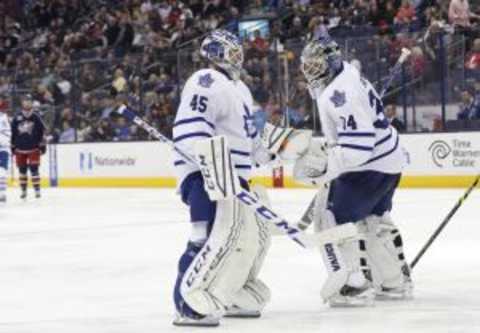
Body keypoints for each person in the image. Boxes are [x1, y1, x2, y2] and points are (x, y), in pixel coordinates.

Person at [294, 36, 413, 307]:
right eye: (308, 65)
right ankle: (393, 281)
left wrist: (326, 164)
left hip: (369, 165)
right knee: (374, 219)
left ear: (332, 62)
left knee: (332, 217)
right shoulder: (347, 75)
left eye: (316, 65)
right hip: (389, 161)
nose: (310, 71)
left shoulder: (341, 95)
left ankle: (353, 283)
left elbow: (359, 147)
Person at [171, 30, 272, 327]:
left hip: (234, 177)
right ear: (215, 53)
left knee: (238, 242)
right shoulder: (205, 79)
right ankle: (186, 304)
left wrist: (279, 150)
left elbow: (253, 141)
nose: (238, 57)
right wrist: (211, 166)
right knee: (206, 238)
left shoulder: (240, 89)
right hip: (207, 176)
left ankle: (224, 294)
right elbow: (192, 129)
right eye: (231, 51)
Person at [11, 95, 46, 199]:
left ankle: (37, 190)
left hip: (33, 148)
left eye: (29, 101)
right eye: (25, 101)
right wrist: (12, 146)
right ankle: (23, 191)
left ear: (31, 103)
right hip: (20, 148)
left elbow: (42, 132)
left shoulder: (36, 116)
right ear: (22, 103)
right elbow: (12, 133)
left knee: (34, 170)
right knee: (22, 171)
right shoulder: (16, 117)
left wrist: (43, 145)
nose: (27, 103)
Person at [0, 97, 10, 203]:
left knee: (2, 171)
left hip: (2, 149)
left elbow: (7, 133)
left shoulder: (3, 118)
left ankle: (2, 194)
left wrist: (2, 141)